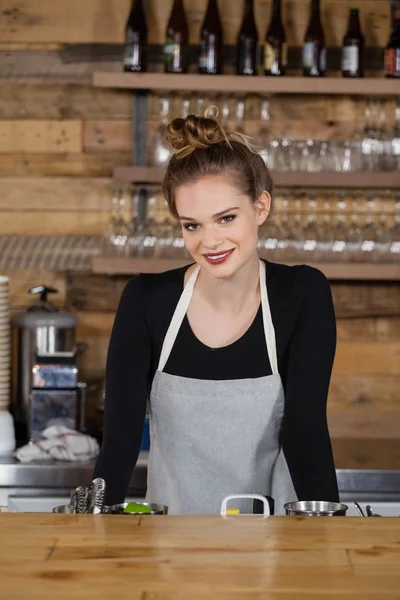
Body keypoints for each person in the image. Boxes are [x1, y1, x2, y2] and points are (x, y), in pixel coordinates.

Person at [93, 108, 339, 515]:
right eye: (192, 225)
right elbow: (120, 435)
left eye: (226, 218)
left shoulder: (302, 294)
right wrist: (94, 522)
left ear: (261, 208)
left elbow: (305, 430)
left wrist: (329, 537)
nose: (210, 241)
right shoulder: (146, 300)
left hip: (280, 547)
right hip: (172, 550)